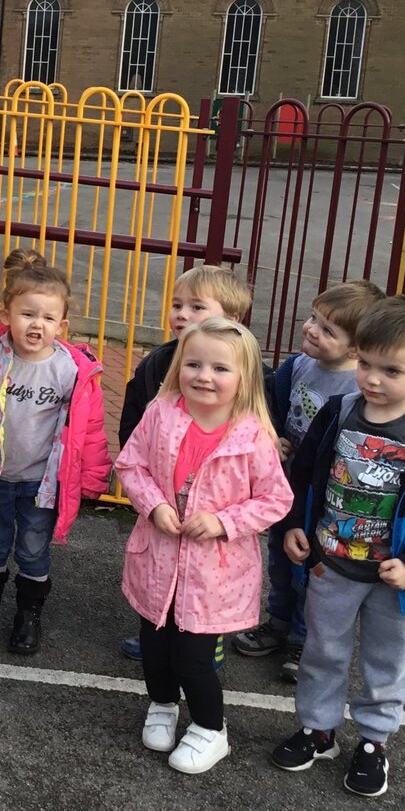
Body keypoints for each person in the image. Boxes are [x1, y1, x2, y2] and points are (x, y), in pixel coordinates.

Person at [270, 296, 405, 798]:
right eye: (365, 363)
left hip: (392, 576)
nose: (372, 379)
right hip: (333, 564)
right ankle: (319, 730)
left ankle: (374, 740)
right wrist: (295, 523)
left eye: (392, 370)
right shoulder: (340, 412)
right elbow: (304, 473)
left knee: (387, 660)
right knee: (322, 648)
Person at [116, 318, 292, 774]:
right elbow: (131, 465)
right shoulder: (161, 412)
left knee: (193, 657)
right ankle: (162, 703)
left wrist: (222, 521)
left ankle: (211, 730)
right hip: (157, 558)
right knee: (154, 644)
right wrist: (154, 506)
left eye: (220, 368)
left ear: (245, 378)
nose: (204, 376)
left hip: (214, 573)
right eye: (193, 364)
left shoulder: (253, 436)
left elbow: (276, 499)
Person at [0, 249, 111, 654]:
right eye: (27, 314)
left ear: (62, 325)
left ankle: (28, 614)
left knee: (32, 547)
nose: (36, 324)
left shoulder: (71, 371)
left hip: (41, 483)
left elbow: (89, 431)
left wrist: (94, 479)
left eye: (47, 318)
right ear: (6, 315)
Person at [235, 279, 384, 682]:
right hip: (287, 487)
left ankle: (305, 637)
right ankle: (278, 621)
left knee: (312, 568)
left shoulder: (357, 387)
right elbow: (272, 405)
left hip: (324, 496)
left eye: (327, 330)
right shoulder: (298, 367)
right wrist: (272, 434)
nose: (311, 329)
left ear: (357, 349)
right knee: (280, 559)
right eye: (313, 319)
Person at [116, 264, 253, 661]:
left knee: (208, 577)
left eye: (196, 307)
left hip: (217, 502)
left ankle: (207, 634)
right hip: (166, 492)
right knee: (162, 567)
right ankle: (157, 629)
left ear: (232, 319)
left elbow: (260, 429)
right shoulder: (159, 362)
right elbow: (134, 421)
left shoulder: (245, 368)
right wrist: (144, 486)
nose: (182, 315)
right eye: (177, 305)